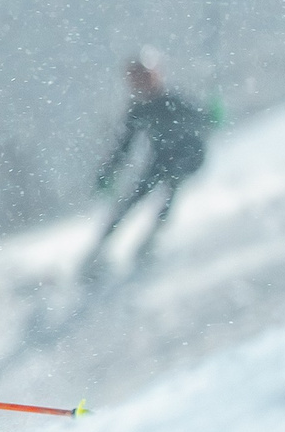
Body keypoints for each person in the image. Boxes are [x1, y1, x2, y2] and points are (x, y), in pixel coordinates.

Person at [83, 49, 211, 275]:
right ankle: (100, 249)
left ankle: (154, 241)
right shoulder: (140, 110)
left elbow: (201, 119)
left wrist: (210, 116)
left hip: (186, 156)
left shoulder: (173, 101)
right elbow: (124, 146)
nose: (140, 84)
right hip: (161, 159)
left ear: (156, 75)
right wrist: (110, 172)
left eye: (144, 77)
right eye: (135, 79)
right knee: (134, 197)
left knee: (172, 186)